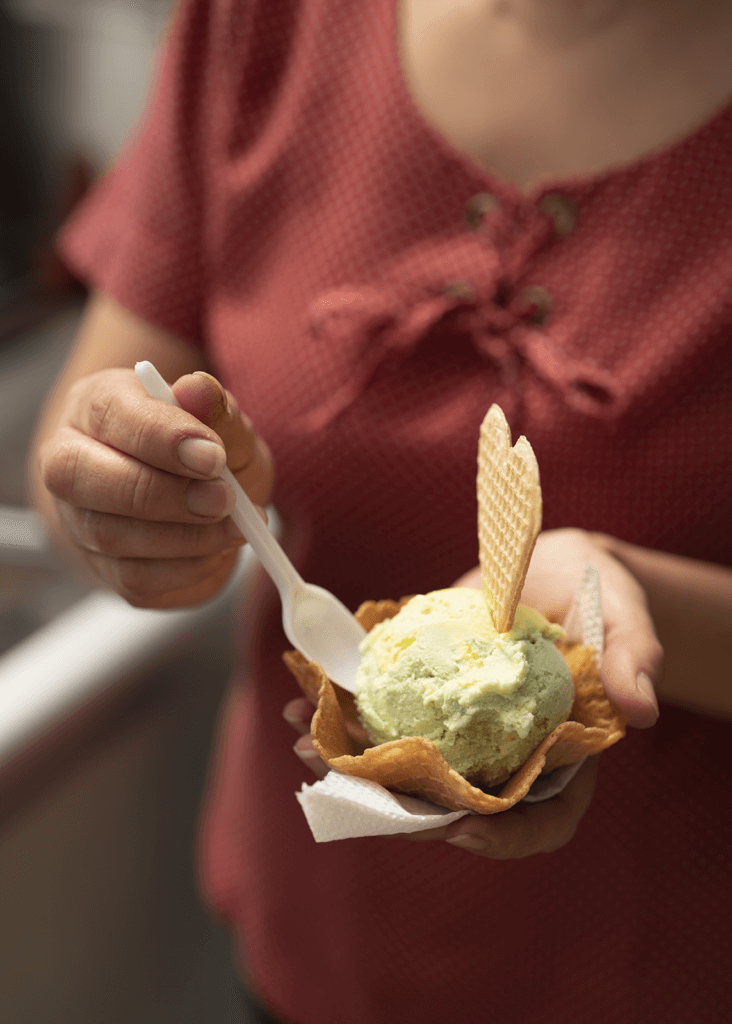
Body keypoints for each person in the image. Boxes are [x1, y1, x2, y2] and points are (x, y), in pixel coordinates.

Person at [28, 1, 732, 1021]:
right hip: (311, 952)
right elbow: (84, 444)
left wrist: (647, 606)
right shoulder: (259, 22)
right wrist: (141, 505)